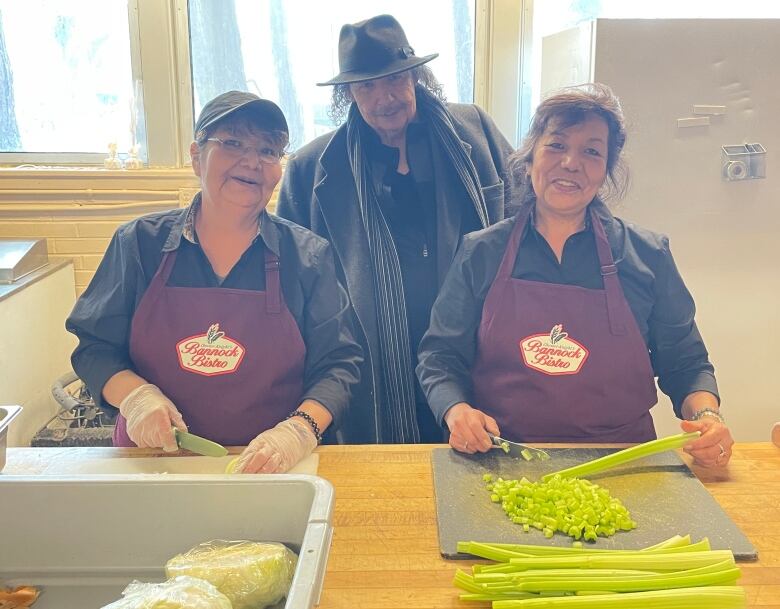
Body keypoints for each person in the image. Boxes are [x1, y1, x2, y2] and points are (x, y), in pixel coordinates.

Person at [416, 83, 734, 467]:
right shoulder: (481, 253)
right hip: (502, 458)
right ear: (530, 156)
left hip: (622, 464)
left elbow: (686, 364)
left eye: (591, 151)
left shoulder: (648, 256)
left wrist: (707, 418)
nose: (571, 162)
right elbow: (440, 357)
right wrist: (456, 410)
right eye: (556, 145)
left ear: (606, 170)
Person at [66, 91, 362, 473]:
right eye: (233, 142)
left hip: (266, 467)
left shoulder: (307, 256)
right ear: (195, 156)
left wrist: (298, 431)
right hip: (153, 462)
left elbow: (339, 364)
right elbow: (95, 347)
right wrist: (136, 397)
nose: (252, 161)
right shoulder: (139, 244)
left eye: (269, 150)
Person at [277, 14, 514, 444]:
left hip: (471, 344)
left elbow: (523, 217)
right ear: (348, 93)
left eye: (393, 80)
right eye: (366, 86)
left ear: (415, 77)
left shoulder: (474, 132)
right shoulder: (311, 169)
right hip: (372, 363)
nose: (383, 97)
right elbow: (293, 288)